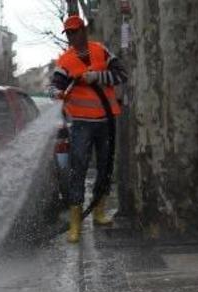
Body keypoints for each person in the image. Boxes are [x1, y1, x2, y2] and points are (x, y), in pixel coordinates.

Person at [50, 15, 128, 243]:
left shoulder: (100, 51)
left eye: (76, 31)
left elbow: (121, 74)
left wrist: (97, 76)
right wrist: (57, 94)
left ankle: (99, 212)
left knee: (105, 166)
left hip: (106, 121)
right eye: (69, 33)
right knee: (79, 169)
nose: (73, 36)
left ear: (84, 30)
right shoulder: (65, 61)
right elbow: (54, 87)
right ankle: (76, 224)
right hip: (81, 124)